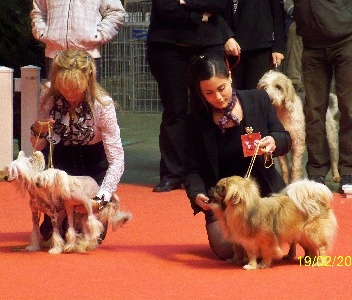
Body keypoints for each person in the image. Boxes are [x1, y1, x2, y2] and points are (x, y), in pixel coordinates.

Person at [183, 55, 292, 259]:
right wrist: (197, 194)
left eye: (222, 88)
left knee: (264, 242)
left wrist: (273, 142)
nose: (218, 97)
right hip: (225, 201)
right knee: (227, 250)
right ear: (200, 92)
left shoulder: (258, 100)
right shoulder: (195, 121)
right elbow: (191, 170)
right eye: (209, 93)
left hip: (264, 195)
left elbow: (285, 138)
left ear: (230, 77)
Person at [30, 49, 125, 243]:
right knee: (54, 234)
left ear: (88, 78)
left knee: (87, 235)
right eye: (63, 87)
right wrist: (37, 129)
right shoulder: (48, 98)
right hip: (61, 173)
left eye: (75, 87)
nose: (69, 93)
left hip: (93, 172)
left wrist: (101, 199)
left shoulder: (102, 106)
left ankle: (108, 204)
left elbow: (117, 160)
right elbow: (39, 146)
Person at [147, 0, 235, 192]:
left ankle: (215, 170)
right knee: (174, 111)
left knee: (213, 106)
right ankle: (172, 174)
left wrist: (186, 2)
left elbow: (220, 4)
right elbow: (164, 7)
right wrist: (199, 15)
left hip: (207, 42)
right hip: (168, 45)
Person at [293, 0, 352, 193]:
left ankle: (349, 170)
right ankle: (316, 170)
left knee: (350, 107)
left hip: (347, 38)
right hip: (311, 42)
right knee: (313, 110)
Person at [30, 0, 126, 79]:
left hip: (87, 56)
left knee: (88, 100)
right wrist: (42, 33)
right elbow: (38, 12)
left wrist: (100, 34)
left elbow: (116, 12)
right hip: (54, 55)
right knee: (55, 100)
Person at [224, 0, 286, 89]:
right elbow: (219, 10)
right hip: (232, 47)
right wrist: (226, 36)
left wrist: (278, 47)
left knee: (257, 95)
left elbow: (278, 13)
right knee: (234, 96)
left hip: (261, 47)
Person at [283, 0, 304, 94]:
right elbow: (287, 3)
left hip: (325, 18)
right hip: (296, 18)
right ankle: (294, 81)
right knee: (296, 30)